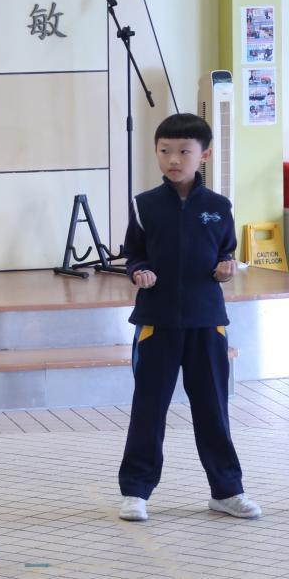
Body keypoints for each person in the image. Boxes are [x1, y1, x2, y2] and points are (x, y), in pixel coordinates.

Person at [117, 112, 261, 522]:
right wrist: (139, 272)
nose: (173, 159)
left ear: (204, 155)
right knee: (149, 409)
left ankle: (227, 491)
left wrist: (226, 268)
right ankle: (136, 492)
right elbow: (134, 254)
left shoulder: (219, 207)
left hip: (207, 323)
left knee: (213, 408)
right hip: (156, 322)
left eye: (183, 151)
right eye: (165, 151)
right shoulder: (144, 205)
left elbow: (226, 252)